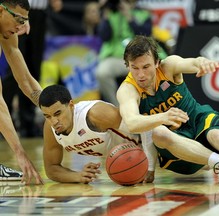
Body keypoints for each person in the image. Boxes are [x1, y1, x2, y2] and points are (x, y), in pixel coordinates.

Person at [116, 35, 219, 185]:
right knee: (158, 132)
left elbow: (190, 63)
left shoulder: (168, 67)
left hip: (196, 118)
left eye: (146, 67)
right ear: (127, 66)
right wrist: (163, 117)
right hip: (175, 143)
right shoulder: (127, 90)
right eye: (134, 68)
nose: (141, 74)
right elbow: (132, 123)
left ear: (157, 63)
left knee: (218, 137)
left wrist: (201, 62)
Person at [39, 84, 145, 183]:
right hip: (126, 160)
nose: (54, 121)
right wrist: (78, 176)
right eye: (47, 116)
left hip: (146, 147)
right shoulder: (50, 128)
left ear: (71, 105)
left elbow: (145, 127)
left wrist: (151, 166)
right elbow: (51, 168)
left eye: (58, 113)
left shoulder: (96, 114)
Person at [2, 0, 62, 138]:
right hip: (15, 9)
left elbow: (26, 79)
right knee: (14, 72)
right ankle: (6, 123)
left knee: (32, 69)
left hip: (35, 11)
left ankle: (27, 123)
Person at [0, 0, 43, 184]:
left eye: (24, 21)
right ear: (1, 11)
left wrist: (60, 113)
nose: (21, 27)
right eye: (18, 19)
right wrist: (19, 152)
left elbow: (25, 81)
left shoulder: (7, 31)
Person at [95, 0, 152, 106]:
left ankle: (149, 105)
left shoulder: (142, 14)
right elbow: (104, 36)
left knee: (150, 69)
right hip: (115, 58)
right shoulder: (110, 15)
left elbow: (145, 34)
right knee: (101, 72)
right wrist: (106, 13)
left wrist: (129, 16)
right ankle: (117, 108)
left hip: (137, 56)